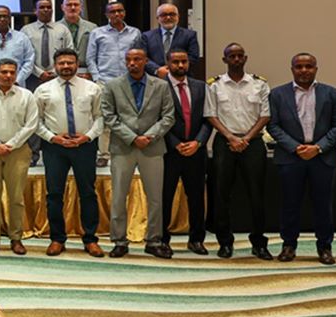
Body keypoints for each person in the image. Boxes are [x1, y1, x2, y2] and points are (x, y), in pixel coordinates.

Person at [267, 53, 336, 265]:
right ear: (292, 69)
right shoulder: (277, 94)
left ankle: (325, 247)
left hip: (323, 158)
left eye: (308, 66)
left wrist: (318, 148)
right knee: (289, 204)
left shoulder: (331, 93)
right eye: (299, 66)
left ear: (316, 69)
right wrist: (296, 147)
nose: (304, 70)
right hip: (290, 158)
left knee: (323, 204)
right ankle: (289, 245)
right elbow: (273, 125)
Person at [101, 48, 175, 259]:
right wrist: (132, 137)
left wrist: (149, 137)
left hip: (152, 147)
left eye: (137, 59)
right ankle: (119, 241)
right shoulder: (112, 86)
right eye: (129, 60)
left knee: (155, 198)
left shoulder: (160, 86)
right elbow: (108, 115)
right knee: (118, 197)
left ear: (145, 61)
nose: (132, 63)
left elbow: (168, 117)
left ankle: (154, 240)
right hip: (123, 147)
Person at [34, 48, 105, 257]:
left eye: (70, 63)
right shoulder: (43, 90)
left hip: (84, 146)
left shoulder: (92, 88)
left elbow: (100, 117)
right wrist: (52, 137)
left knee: (88, 193)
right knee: (54, 194)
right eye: (62, 63)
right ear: (55, 66)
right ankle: (57, 239)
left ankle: (90, 239)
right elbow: (35, 121)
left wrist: (87, 137)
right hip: (54, 147)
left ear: (77, 64)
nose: (66, 66)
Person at [204, 43, 272, 259]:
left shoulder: (259, 84)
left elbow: (265, 115)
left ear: (245, 58)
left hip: (253, 143)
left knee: (257, 195)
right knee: (222, 194)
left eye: (239, 56)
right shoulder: (215, 85)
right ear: (225, 60)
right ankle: (225, 243)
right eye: (231, 56)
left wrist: (246, 138)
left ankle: (259, 243)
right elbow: (210, 114)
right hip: (225, 143)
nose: (236, 59)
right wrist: (231, 137)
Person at [0, 58, 39, 255]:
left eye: (12, 72)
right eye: (4, 72)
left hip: (18, 151)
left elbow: (31, 124)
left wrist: (11, 144)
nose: (8, 76)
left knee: (16, 198)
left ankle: (16, 238)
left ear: (17, 73)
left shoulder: (27, 95)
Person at [161, 48, 212, 255]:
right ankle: (162, 240)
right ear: (168, 63)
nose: (180, 66)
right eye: (175, 62)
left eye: (184, 62)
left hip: (196, 151)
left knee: (197, 196)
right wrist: (175, 143)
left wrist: (198, 142)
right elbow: (158, 119)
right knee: (165, 196)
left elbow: (209, 119)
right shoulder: (159, 87)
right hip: (169, 151)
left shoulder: (201, 87)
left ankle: (196, 239)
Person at [23, 0, 74, 165]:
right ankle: (33, 154)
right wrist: (39, 73)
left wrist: (53, 72)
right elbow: (25, 56)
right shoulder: (26, 30)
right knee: (33, 115)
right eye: (42, 7)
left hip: (58, 77)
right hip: (33, 78)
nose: (46, 10)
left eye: (49, 7)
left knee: (55, 113)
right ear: (35, 10)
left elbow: (69, 52)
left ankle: (54, 152)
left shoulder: (62, 29)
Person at [86, 1, 144, 84]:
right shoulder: (97, 33)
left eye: (120, 11)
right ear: (107, 15)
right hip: (104, 80)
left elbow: (139, 57)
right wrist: (96, 78)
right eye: (112, 12)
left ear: (124, 13)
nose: (117, 14)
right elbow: (90, 58)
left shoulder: (135, 32)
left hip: (129, 79)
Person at [143, 3, 200, 79]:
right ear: (158, 18)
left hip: (181, 78)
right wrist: (157, 70)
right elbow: (143, 57)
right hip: (155, 79)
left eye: (172, 14)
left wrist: (174, 69)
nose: (168, 17)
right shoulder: (147, 36)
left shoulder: (190, 35)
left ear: (178, 17)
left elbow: (193, 57)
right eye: (164, 15)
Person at [59, 0, 97, 77]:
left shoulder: (92, 27)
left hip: (86, 71)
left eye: (76, 5)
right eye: (69, 5)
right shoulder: (55, 28)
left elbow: (96, 53)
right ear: (62, 7)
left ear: (81, 7)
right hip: (62, 70)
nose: (73, 8)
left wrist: (91, 73)